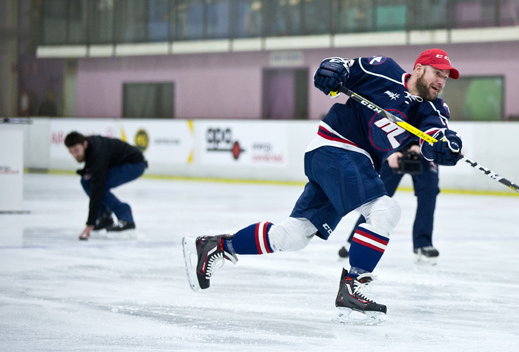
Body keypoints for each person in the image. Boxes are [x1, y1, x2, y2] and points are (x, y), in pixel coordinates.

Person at [182, 49, 463, 323]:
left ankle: (218, 245)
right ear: (418, 69)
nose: (441, 80)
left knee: (294, 235)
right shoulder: (383, 69)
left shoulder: (433, 109)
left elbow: (433, 137)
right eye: (437, 73)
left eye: (446, 77)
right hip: (335, 147)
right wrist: (332, 70)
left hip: (350, 164)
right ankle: (352, 286)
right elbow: (341, 67)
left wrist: (444, 146)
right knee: (385, 209)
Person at [337, 141, 442, 264]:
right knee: (377, 197)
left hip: (425, 150)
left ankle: (423, 243)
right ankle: (354, 240)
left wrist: (424, 146)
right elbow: (378, 124)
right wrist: (388, 152)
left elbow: (436, 123)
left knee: (429, 193)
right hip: (394, 148)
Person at [64, 131, 148, 240]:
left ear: (84, 144)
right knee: (86, 181)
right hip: (123, 163)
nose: (75, 155)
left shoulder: (97, 152)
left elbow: (97, 186)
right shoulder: (90, 147)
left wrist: (90, 224)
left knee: (97, 186)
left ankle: (125, 217)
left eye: (76, 150)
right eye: (71, 152)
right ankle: (104, 217)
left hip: (135, 164)